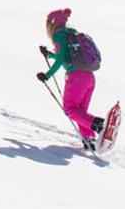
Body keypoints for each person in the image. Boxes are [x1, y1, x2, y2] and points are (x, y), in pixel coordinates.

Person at [36, 8, 105, 151]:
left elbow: (61, 58)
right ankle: (89, 140)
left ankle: (99, 125)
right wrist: (49, 54)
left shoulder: (58, 36)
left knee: (70, 109)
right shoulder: (71, 34)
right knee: (80, 112)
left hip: (76, 78)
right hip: (89, 77)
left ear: (52, 24)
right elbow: (66, 55)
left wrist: (47, 75)